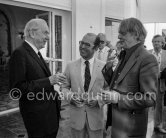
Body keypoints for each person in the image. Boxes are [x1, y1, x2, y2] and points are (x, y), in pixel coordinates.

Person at [101, 17, 159, 138]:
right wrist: (108, 68)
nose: (118, 37)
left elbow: (150, 98)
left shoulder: (147, 58)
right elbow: (117, 84)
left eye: (122, 33)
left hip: (131, 128)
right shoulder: (124, 54)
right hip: (116, 121)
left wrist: (118, 98)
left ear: (136, 34)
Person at [9, 18, 66, 138]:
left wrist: (54, 87)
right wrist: (49, 81)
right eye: (45, 32)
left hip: (48, 116)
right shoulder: (19, 54)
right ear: (32, 33)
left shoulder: (36, 53)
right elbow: (17, 90)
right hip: (38, 120)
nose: (48, 37)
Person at [62, 33, 106, 138]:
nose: (82, 46)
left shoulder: (104, 67)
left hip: (96, 119)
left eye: (87, 44)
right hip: (76, 119)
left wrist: (99, 100)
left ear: (95, 48)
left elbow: (109, 89)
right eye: (81, 43)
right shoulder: (70, 66)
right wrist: (71, 97)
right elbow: (64, 87)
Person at [150, 34, 166, 134]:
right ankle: (146, 124)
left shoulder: (165, 53)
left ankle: (158, 125)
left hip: (161, 82)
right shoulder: (148, 53)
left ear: (162, 43)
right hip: (148, 82)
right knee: (146, 103)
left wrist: (162, 74)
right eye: (155, 41)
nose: (156, 43)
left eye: (158, 41)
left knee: (159, 105)